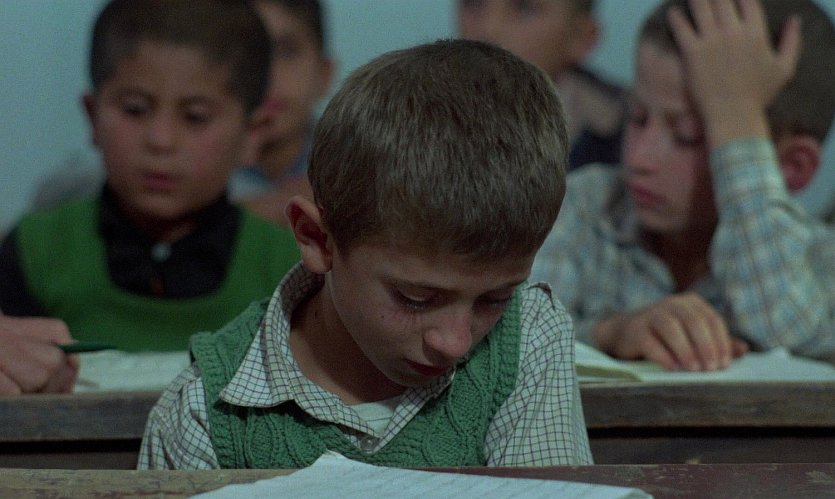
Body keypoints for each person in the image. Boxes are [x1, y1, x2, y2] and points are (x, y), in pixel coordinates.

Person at [139, 39, 592, 469]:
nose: (455, 342)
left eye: (495, 299)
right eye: (416, 298)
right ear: (318, 240)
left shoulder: (527, 337)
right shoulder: (204, 412)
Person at [0, 0, 301, 391]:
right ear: (92, 116)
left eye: (195, 117)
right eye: (135, 109)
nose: (161, 140)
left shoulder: (289, 271)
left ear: (252, 135)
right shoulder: (36, 251)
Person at [532, 0, 835, 370]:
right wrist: (608, 334)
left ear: (792, 166)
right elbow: (515, 343)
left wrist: (735, 117)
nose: (639, 158)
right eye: (637, 117)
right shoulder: (584, 207)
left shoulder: (821, 261)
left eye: (687, 136)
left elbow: (785, 332)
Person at [457, 0, 626, 169]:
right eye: (474, 3)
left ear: (579, 36)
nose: (488, 30)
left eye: (525, 8)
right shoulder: (442, 111)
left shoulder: (625, 133)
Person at [228, 0, 334, 226]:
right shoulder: (181, 169)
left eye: (287, 52)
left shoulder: (359, 174)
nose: (267, 72)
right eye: (249, 52)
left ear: (324, 75)